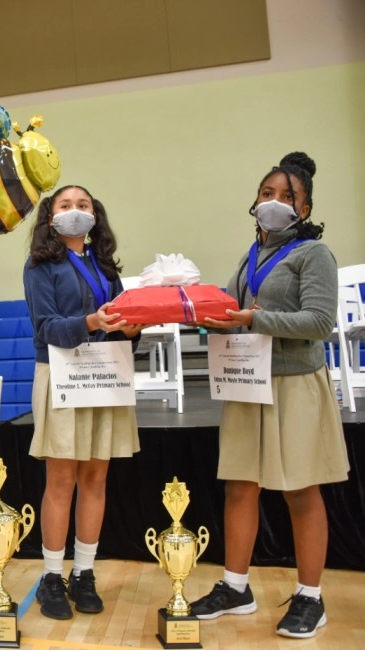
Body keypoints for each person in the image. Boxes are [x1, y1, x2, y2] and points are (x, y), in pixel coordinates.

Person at [191, 152, 349, 639]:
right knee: (240, 486)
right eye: (267, 193)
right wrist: (205, 315)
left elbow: (319, 322)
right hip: (247, 382)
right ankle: (235, 587)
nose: (274, 202)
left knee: (300, 490)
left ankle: (310, 597)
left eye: (287, 196)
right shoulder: (250, 255)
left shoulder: (314, 254)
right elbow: (237, 310)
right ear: (255, 201)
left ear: (305, 209)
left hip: (295, 383)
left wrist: (254, 319)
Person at [23, 184, 142, 621]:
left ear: (96, 215)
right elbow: (45, 327)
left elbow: (123, 322)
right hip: (62, 375)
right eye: (66, 205)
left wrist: (132, 328)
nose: (75, 210)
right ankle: (52, 577)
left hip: (106, 374)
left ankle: (84, 573)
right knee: (62, 480)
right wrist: (90, 321)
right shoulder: (40, 265)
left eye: (83, 205)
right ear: (50, 216)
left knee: (95, 477)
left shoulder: (105, 266)